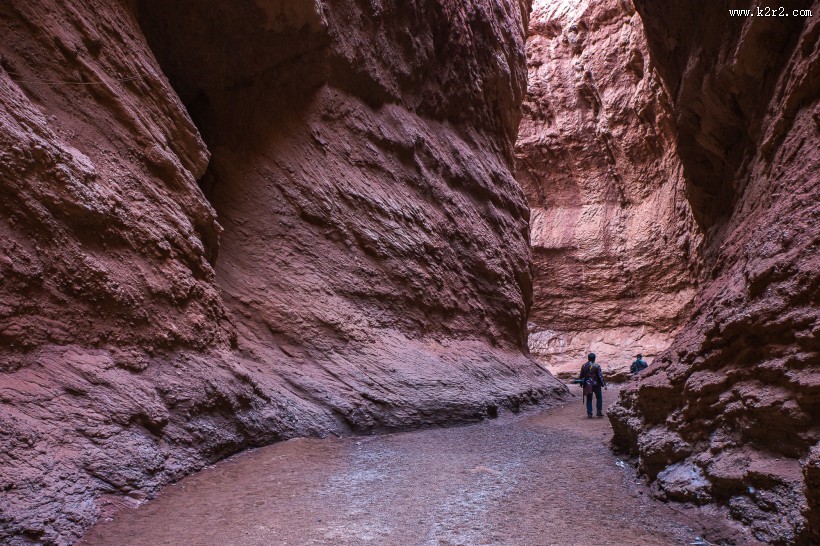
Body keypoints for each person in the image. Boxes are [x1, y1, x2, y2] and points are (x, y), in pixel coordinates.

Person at [579, 352, 606, 418]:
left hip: (587, 385)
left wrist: (581, 384)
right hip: (596, 385)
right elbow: (600, 376)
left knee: (589, 399)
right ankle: (599, 412)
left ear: (588, 358)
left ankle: (589, 413)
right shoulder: (596, 366)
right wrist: (604, 384)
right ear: (594, 359)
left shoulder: (584, 366)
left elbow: (581, 375)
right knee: (599, 398)